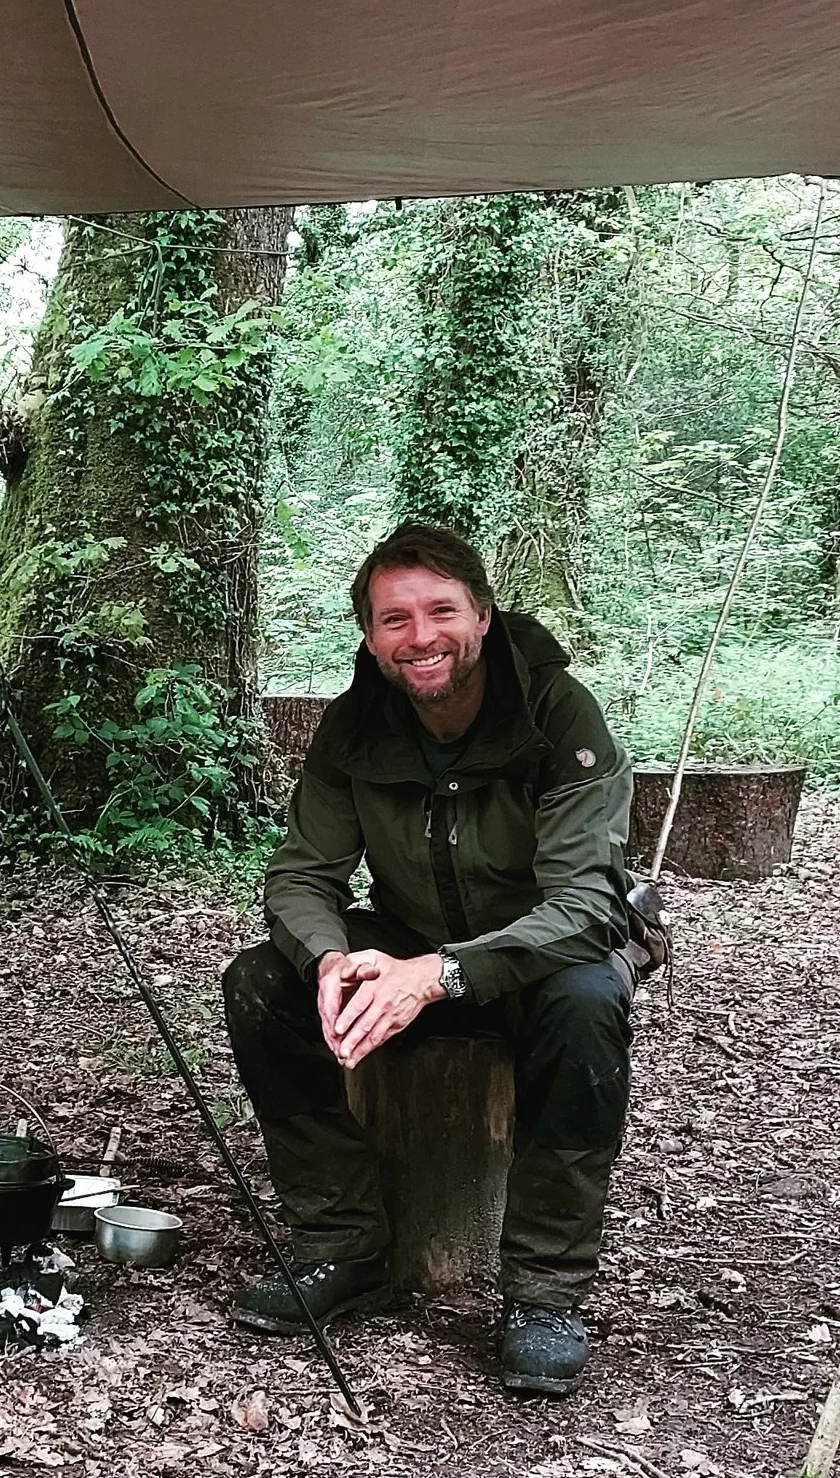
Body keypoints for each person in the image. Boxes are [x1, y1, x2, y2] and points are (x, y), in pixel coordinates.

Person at [221, 523, 639, 1397]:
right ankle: (344, 1246)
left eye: (441, 611)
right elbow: (302, 874)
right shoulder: (356, 724)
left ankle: (545, 1292)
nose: (421, 637)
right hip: (407, 938)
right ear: (371, 636)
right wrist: (328, 958)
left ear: (482, 615)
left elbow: (583, 908)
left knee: (588, 1001)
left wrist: (440, 974)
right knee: (261, 983)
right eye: (395, 619)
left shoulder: (559, 715)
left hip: (537, 954)